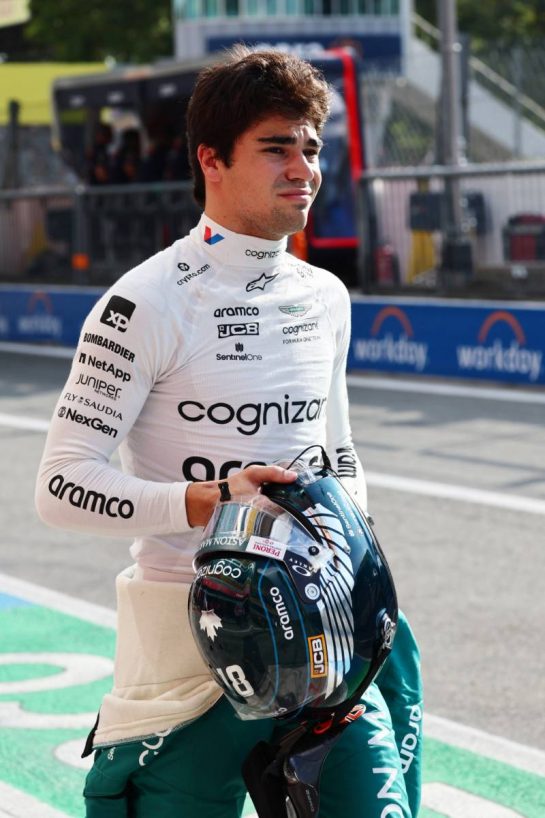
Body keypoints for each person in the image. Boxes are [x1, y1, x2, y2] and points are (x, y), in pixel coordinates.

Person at [35, 47, 422, 818]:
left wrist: (355, 559)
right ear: (211, 159)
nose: (302, 168)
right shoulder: (144, 301)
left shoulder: (325, 294)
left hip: (325, 641)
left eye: (310, 147)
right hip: (190, 643)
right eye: (276, 147)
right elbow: (60, 488)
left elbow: (335, 448)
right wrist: (215, 499)